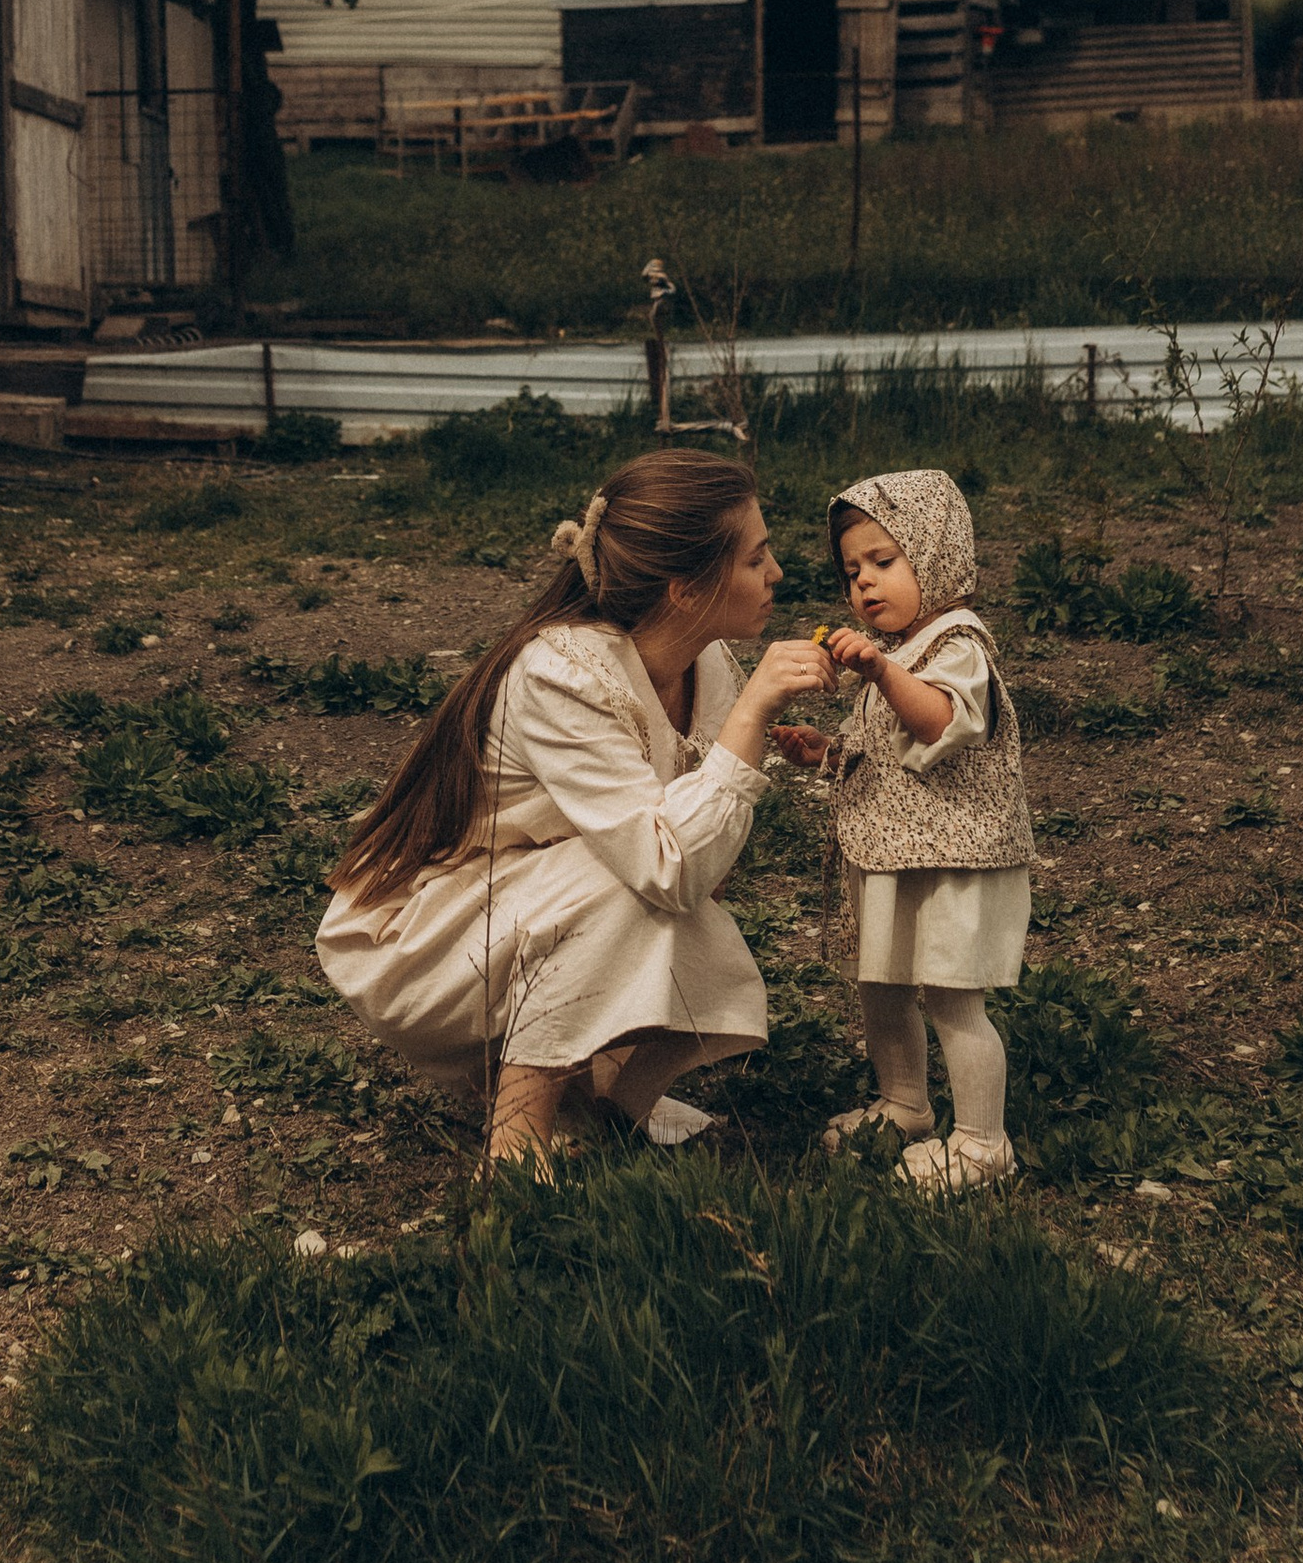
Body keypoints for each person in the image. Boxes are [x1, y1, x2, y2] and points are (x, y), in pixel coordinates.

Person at [317, 450, 832, 1172]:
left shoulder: (706, 663)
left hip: (519, 905)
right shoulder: (562, 673)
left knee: (650, 879)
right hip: (420, 942)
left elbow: (699, 871)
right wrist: (750, 720)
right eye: (756, 557)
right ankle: (517, 1143)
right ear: (685, 590)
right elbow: (668, 865)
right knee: (631, 875)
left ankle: (599, 1099)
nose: (776, 573)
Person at [774, 467, 1032, 1194]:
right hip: (894, 856)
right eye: (852, 569)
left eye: (884, 561)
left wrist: (882, 672)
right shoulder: (907, 650)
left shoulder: (958, 645)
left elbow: (941, 723)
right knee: (881, 985)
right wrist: (829, 752)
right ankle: (906, 1103)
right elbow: (892, 755)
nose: (864, 583)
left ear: (937, 551)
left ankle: (984, 1141)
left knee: (953, 998)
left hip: (955, 857)